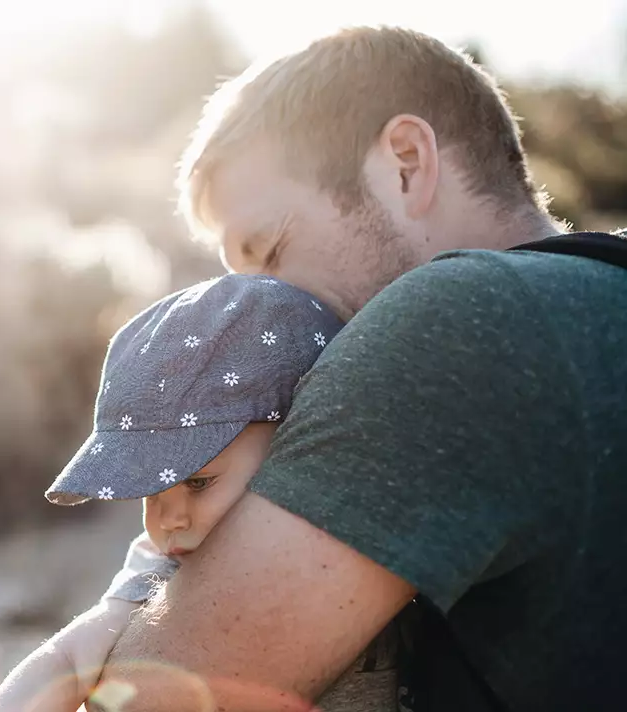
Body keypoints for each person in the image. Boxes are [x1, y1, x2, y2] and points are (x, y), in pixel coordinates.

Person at [90, 25, 627, 712]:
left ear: (405, 162)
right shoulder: (595, 297)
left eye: (270, 251)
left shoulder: (453, 320)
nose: (256, 310)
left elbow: (151, 701)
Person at [0, 273, 405, 712]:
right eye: (150, 492)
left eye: (198, 482)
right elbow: (69, 657)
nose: (169, 519)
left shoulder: (367, 521)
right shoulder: (163, 568)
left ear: (295, 442)